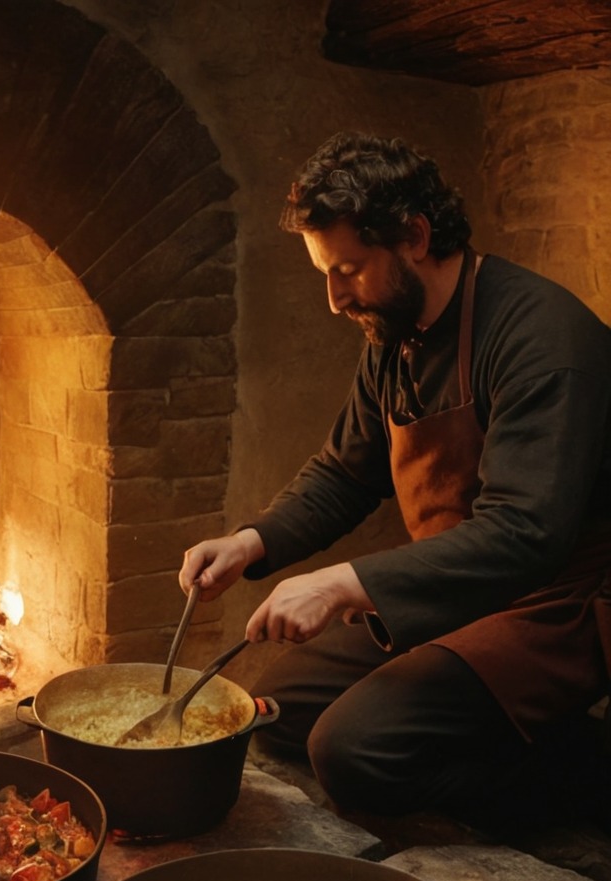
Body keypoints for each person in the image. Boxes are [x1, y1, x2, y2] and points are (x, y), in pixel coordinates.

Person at [180, 131, 611, 831]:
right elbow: (346, 471)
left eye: (347, 269)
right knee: (275, 710)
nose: (333, 298)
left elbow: (525, 535)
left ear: (414, 235)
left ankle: (576, 768)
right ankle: (480, 726)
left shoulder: (541, 339)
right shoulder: (396, 332)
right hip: (454, 588)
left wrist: (344, 584)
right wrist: (250, 542)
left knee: (354, 750)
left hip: (554, 600)